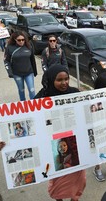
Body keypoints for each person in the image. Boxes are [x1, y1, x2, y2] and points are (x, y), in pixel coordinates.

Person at [35, 65, 86, 201]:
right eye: (59, 80)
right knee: (58, 181)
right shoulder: (42, 97)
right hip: (55, 146)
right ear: (51, 80)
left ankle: (75, 197)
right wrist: (7, 143)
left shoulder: (75, 93)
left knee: (77, 179)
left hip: (75, 145)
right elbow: (29, 121)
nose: (64, 83)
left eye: (66, 79)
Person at [4, 31, 37, 101]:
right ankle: (23, 103)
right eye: (19, 40)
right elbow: (6, 61)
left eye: (23, 40)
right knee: (21, 90)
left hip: (29, 72)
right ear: (15, 40)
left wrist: (35, 71)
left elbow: (32, 60)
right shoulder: (9, 48)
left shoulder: (29, 46)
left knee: (32, 90)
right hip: (17, 74)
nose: (21, 42)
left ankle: (34, 105)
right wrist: (9, 72)